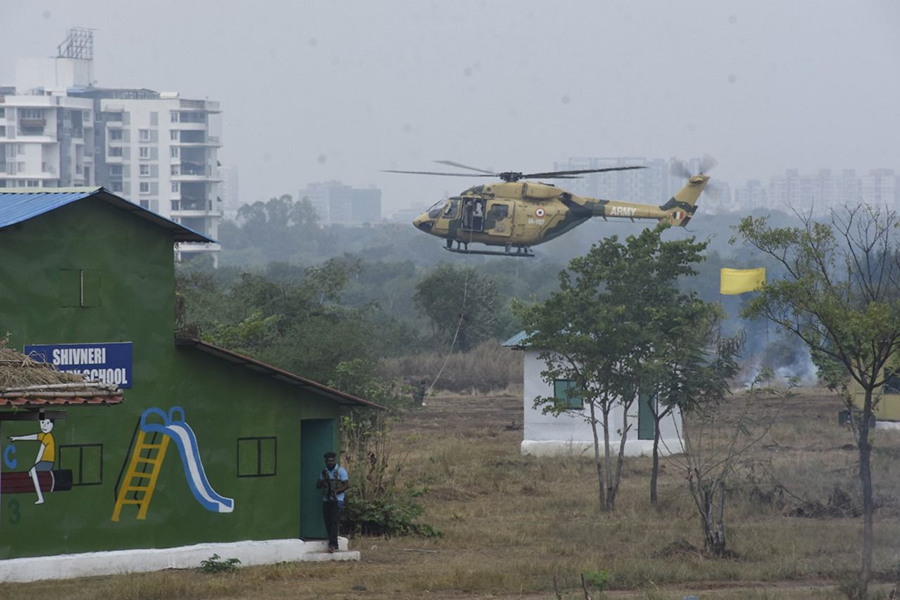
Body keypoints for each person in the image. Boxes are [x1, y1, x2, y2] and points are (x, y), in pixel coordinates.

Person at [9, 416, 55, 505]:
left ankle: (40, 497)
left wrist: (34, 467)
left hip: (48, 462)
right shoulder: (43, 435)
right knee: (33, 470)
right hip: (44, 462)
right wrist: (16, 438)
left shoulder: (48, 437)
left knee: (33, 471)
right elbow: (32, 437)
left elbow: (41, 452)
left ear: (52, 425)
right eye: (42, 423)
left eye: (47, 423)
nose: (44, 426)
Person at [316, 451, 349, 553]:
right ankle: (332, 541)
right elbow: (317, 485)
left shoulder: (340, 471)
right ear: (326, 462)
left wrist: (337, 491)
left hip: (337, 499)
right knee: (327, 521)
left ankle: (333, 544)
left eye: (332, 461)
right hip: (326, 499)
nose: (330, 463)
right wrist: (322, 483)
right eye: (328, 461)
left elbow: (346, 484)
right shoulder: (324, 473)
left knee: (334, 521)